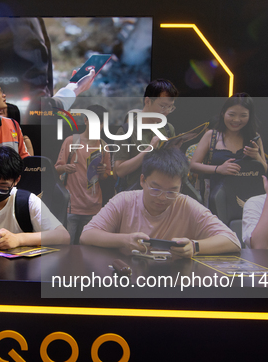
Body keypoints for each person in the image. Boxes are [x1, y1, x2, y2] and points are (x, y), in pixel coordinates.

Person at [81, 147, 241, 258]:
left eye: (172, 191)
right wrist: (125, 240)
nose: (163, 198)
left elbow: (232, 241)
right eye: (156, 189)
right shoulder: (124, 200)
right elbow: (87, 235)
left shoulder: (186, 205)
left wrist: (194, 246)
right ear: (143, 180)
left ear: (181, 187)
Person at [55, 104, 111, 244]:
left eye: (101, 123)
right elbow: (56, 168)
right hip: (71, 206)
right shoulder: (71, 141)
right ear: (86, 120)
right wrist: (65, 168)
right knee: (66, 246)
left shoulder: (104, 146)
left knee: (88, 249)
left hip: (94, 207)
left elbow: (107, 176)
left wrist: (104, 172)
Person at [189, 93, 267, 193]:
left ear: (250, 116)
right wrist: (219, 169)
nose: (236, 120)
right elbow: (193, 166)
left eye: (243, 115)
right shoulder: (211, 135)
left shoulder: (254, 137)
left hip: (247, 196)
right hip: (216, 196)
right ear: (223, 113)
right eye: (231, 114)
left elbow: (264, 169)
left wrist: (256, 156)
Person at [113, 78, 179, 191]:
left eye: (170, 107)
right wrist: (148, 150)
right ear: (148, 101)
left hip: (161, 195)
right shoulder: (126, 131)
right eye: (163, 106)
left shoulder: (168, 129)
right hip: (135, 197)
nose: (166, 111)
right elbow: (120, 171)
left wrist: (174, 151)